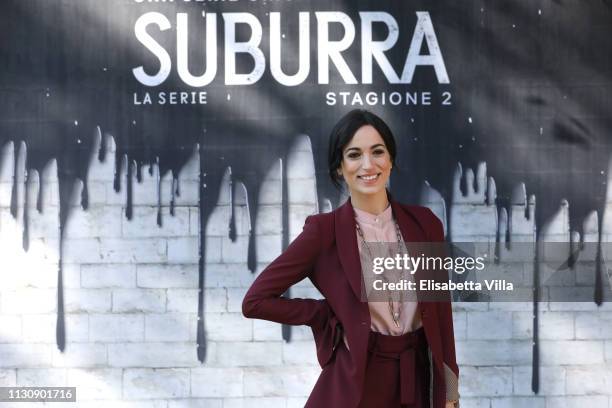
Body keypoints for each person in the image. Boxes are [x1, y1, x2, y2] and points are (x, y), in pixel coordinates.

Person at [242, 109, 459, 408]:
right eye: (354, 155)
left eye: (377, 152)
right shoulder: (324, 231)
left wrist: (451, 392)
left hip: (417, 378)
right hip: (359, 380)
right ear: (339, 169)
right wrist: (325, 315)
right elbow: (255, 301)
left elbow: (441, 313)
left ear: (391, 160)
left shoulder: (426, 224)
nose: (368, 164)